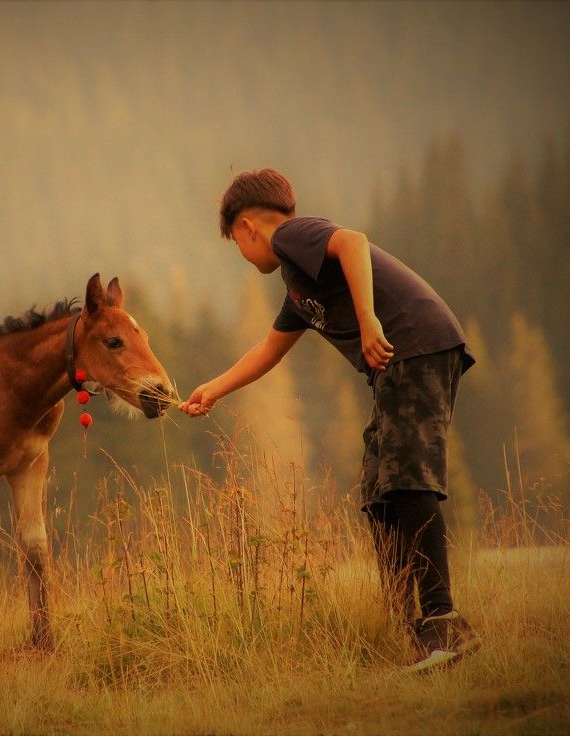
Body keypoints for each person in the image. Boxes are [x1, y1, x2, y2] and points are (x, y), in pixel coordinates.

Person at [180, 168, 480, 672]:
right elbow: (269, 350)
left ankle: (444, 624)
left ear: (249, 228)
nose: (242, 252)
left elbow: (355, 242)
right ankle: (416, 633)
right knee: (379, 494)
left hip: (415, 345)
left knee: (406, 481)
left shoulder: (295, 236)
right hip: (400, 359)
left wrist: (367, 318)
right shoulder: (298, 281)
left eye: (235, 241)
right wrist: (213, 389)